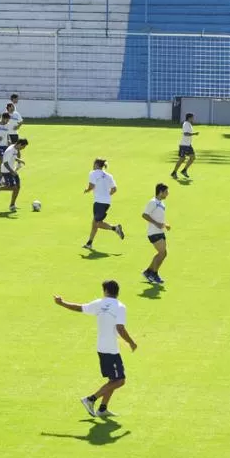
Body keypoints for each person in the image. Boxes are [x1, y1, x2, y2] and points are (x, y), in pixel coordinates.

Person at [54, 280, 138, 418]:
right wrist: (131, 343)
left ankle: (102, 409)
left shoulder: (99, 303)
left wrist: (62, 303)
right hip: (111, 349)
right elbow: (120, 328)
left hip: (102, 346)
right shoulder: (120, 307)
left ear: (105, 291)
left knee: (113, 380)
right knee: (120, 380)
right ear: (117, 292)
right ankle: (90, 399)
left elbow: (79, 308)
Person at [83, 158, 124, 250]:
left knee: (97, 223)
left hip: (99, 202)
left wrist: (87, 190)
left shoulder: (92, 173)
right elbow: (114, 189)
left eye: (94, 164)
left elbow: (91, 186)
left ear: (97, 164)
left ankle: (115, 228)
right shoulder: (109, 176)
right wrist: (106, 195)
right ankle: (89, 243)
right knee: (94, 223)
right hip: (106, 202)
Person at [141, 183, 170, 284]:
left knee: (163, 253)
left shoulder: (161, 203)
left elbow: (158, 217)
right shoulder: (153, 202)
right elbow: (144, 215)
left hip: (160, 231)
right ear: (160, 192)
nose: (168, 194)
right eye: (166, 192)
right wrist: (157, 224)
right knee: (162, 253)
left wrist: (164, 225)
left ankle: (148, 271)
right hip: (153, 232)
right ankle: (154, 274)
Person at [0, 138, 28, 212]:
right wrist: (12, 171)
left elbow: (13, 157)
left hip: (11, 170)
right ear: (20, 144)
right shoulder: (10, 150)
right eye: (23, 147)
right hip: (6, 171)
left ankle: (12, 205)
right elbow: (5, 163)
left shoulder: (15, 148)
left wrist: (18, 160)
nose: (23, 148)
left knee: (17, 187)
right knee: (12, 187)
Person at [171, 113, 198, 179]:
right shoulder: (186, 124)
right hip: (184, 145)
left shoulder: (189, 124)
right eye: (192, 117)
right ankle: (174, 172)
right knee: (182, 159)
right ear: (189, 118)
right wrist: (194, 134)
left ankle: (184, 170)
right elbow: (185, 134)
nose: (193, 119)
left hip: (188, 145)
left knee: (193, 158)